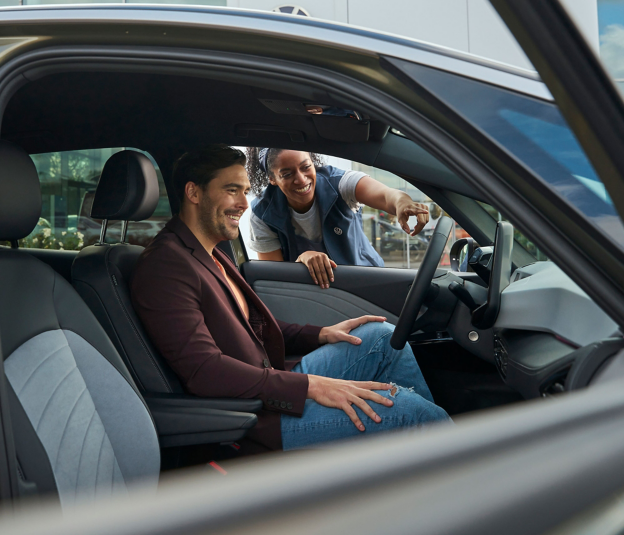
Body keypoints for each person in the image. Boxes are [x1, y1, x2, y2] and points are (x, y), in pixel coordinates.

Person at [130, 144, 450, 454]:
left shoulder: (207, 251)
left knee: (382, 337)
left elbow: (250, 326)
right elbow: (205, 372)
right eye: (231, 190)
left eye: (244, 190)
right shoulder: (165, 266)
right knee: (409, 412)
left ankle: (425, 461)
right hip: (256, 417)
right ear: (194, 193)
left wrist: (321, 333)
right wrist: (311, 386)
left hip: (273, 379)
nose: (243, 203)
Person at [246, 147, 431, 289]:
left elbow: (386, 195)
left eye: (306, 167)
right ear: (272, 178)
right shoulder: (262, 214)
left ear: (313, 162)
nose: (301, 180)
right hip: (315, 299)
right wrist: (301, 260)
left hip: (369, 285)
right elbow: (275, 282)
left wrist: (402, 202)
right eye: (287, 174)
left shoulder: (340, 183)